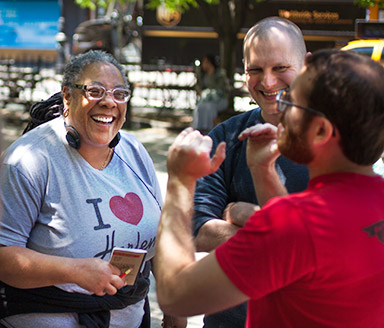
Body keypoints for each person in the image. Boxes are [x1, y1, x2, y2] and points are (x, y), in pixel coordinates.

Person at [155, 49, 384, 327]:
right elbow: (296, 257)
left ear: (321, 131)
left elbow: (175, 295)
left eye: (292, 102)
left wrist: (180, 182)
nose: (280, 110)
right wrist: (263, 170)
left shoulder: (295, 225)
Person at [0, 50, 185, 328]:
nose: (109, 102)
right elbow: (4, 257)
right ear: (67, 97)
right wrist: (74, 271)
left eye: (119, 93)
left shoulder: (135, 151)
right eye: (95, 91)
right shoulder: (29, 159)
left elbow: (157, 237)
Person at [192, 17, 310, 327]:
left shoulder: (338, 141)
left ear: (307, 66)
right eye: (255, 70)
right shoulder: (225, 138)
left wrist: (243, 214)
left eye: (280, 68)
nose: (268, 83)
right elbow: (196, 228)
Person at [192, 54, 230, 134]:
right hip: (206, 99)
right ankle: (198, 128)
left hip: (219, 100)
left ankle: (208, 129)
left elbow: (222, 90)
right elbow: (198, 87)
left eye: (206, 62)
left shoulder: (220, 74)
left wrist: (211, 75)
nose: (204, 65)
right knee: (200, 106)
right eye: (203, 62)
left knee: (209, 107)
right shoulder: (201, 74)